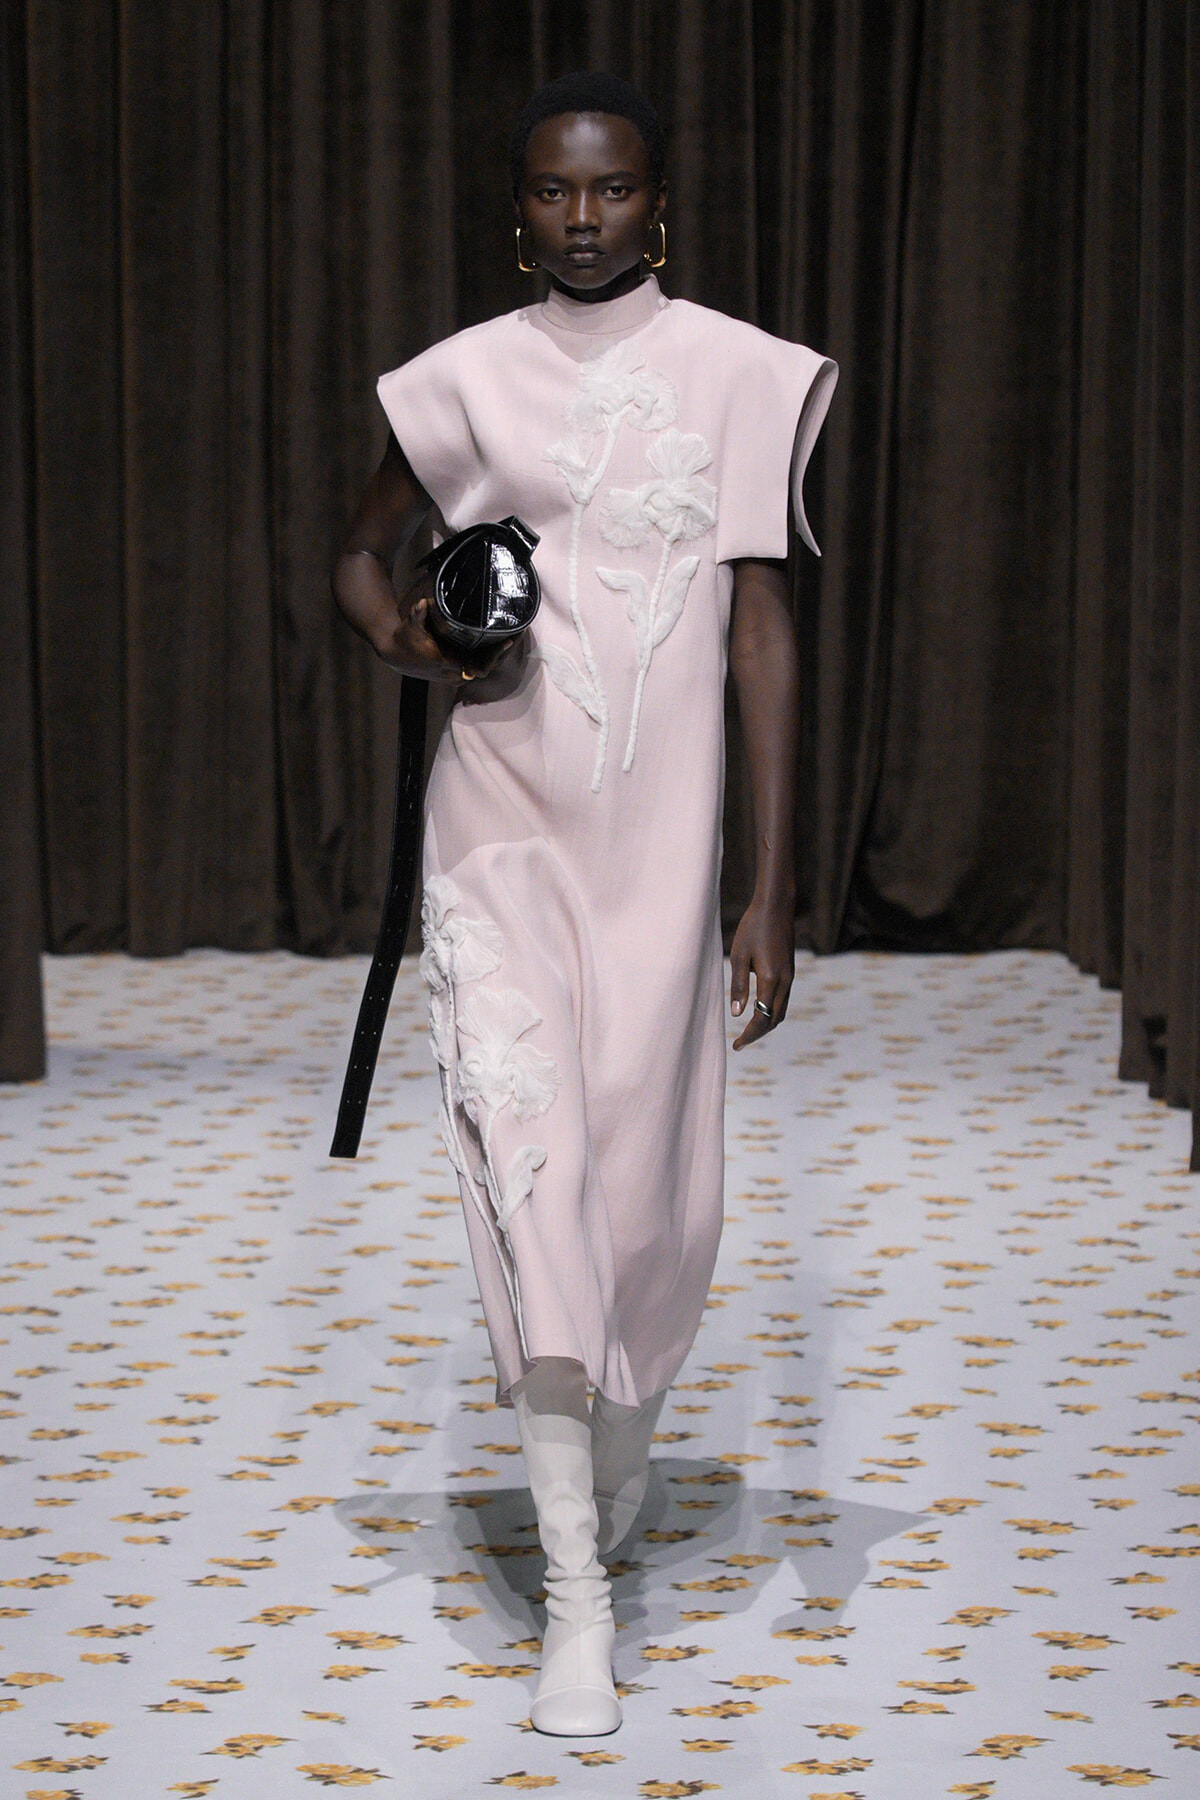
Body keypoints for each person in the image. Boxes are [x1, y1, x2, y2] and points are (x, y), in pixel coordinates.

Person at [332, 71, 836, 1738]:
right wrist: (421, 643)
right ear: (518, 210)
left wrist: (768, 884)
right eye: (552, 191)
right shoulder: (464, 377)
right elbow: (359, 555)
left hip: (664, 850)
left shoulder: (740, 375)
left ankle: (617, 1455)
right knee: (535, 1186)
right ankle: (574, 1598)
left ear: (660, 205)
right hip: (500, 832)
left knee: (654, 1215)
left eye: (611, 190)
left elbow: (758, 630)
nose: (581, 216)